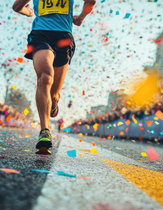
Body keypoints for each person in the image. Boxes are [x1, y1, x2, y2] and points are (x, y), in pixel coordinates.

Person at [12, 0, 96, 154]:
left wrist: (80, 18)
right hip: (40, 34)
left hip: (63, 36)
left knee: (54, 94)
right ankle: (44, 131)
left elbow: (91, 1)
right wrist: (30, 12)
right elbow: (17, 6)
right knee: (45, 78)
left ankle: (54, 101)